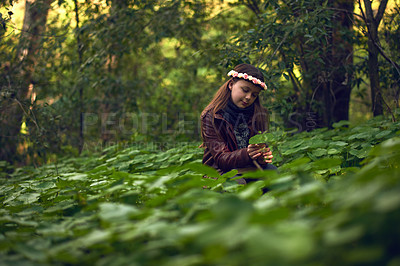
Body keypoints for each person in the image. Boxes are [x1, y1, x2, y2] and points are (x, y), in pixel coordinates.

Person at [200, 63, 277, 185]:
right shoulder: (212, 115)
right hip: (219, 171)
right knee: (238, 184)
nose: (248, 97)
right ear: (231, 84)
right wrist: (247, 153)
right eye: (245, 90)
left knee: (274, 174)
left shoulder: (259, 114)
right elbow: (220, 159)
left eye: (254, 95)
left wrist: (262, 157)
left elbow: (258, 151)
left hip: (249, 167)